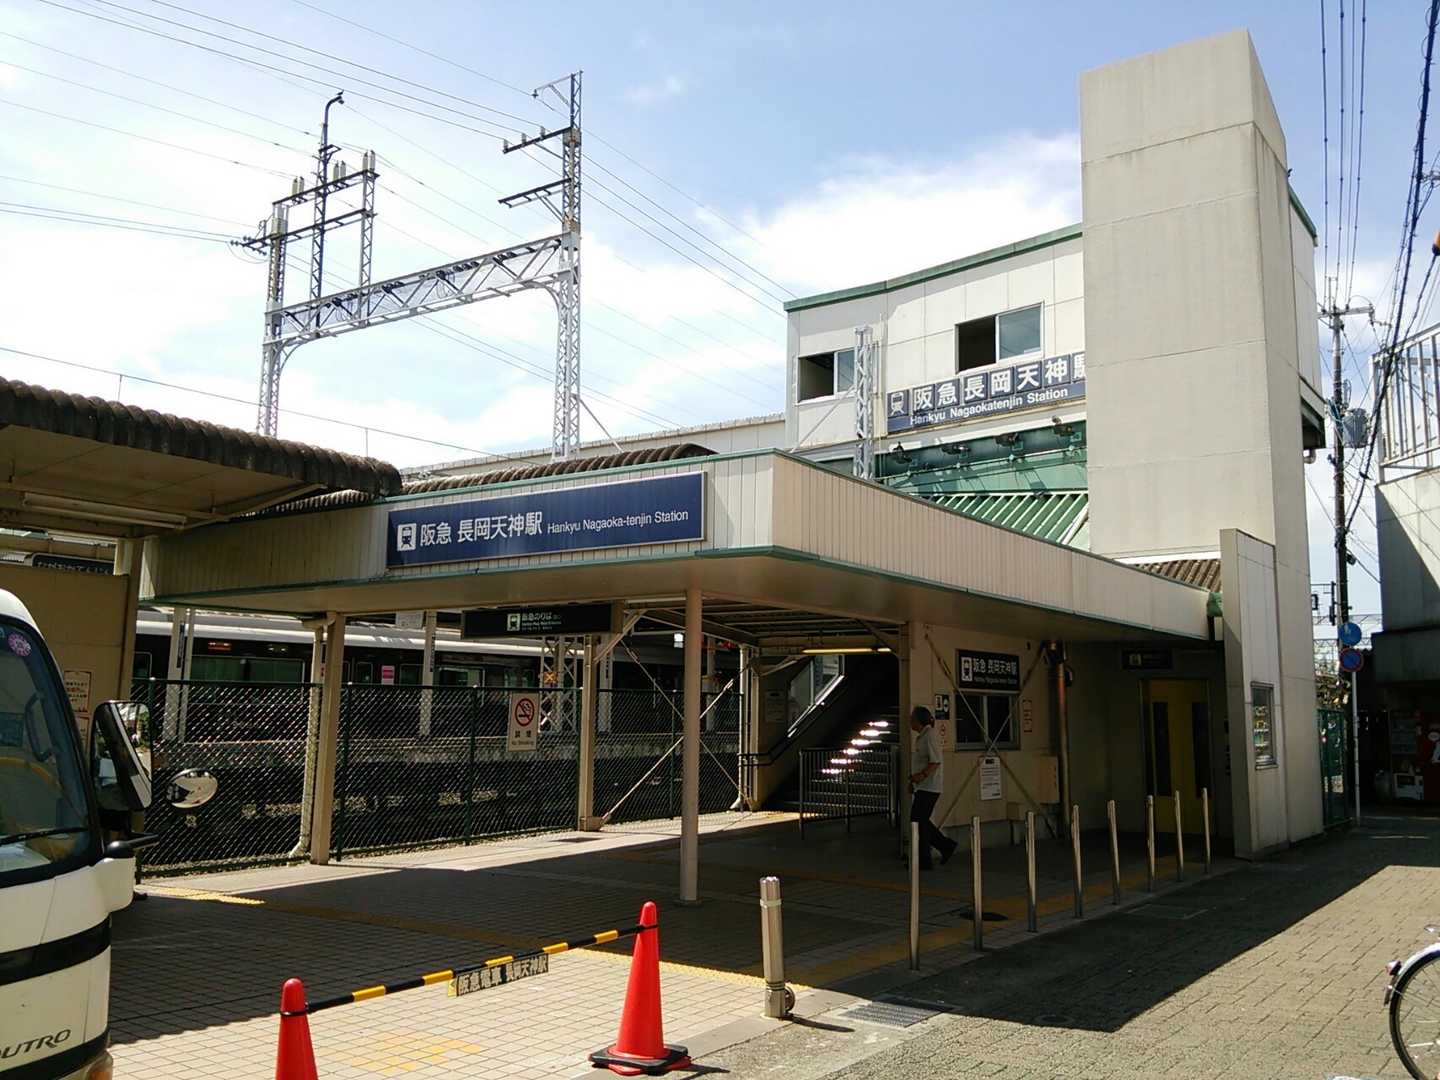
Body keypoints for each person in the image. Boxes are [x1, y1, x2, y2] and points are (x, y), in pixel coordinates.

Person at [908, 705, 957, 870]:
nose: (910, 721)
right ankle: (938, 850)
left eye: (912, 718)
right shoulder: (922, 736)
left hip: (930, 786)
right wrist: (913, 782)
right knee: (920, 821)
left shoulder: (929, 736)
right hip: (923, 786)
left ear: (918, 720)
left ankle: (936, 851)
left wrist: (921, 776)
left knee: (918, 820)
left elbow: (935, 761)